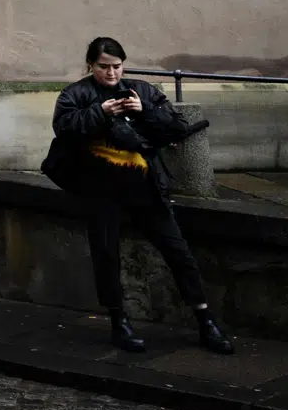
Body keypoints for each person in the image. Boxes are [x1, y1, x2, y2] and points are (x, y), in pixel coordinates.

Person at [49, 36, 233, 354]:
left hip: (146, 188)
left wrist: (143, 108)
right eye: (104, 67)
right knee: (106, 256)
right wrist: (100, 112)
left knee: (179, 253)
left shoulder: (142, 90)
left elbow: (175, 128)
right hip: (101, 191)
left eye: (117, 67)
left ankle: (206, 322)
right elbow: (63, 128)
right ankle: (119, 323)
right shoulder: (75, 93)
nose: (111, 74)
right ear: (90, 65)